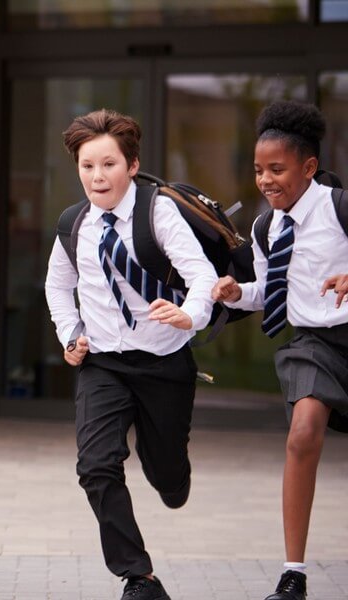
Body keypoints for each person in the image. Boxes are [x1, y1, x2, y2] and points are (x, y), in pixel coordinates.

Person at [45, 109, 217, 600]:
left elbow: (201, 275)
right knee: (95, 466)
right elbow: (57, 287)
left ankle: (172, 475)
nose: (97, 177)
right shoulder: (74, 224)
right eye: (87, 166)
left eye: (109, 165)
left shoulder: (158, 213)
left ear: (132, 165)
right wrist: (71, 334)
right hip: (103, 364)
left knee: (165, 472)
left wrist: (188, 314)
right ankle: (138, 576)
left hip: (164, 363)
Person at [212, 100, 348, 600]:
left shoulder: (339, 207)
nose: (265, 180)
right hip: (314, 343)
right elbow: (271, 291)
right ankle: (294, 575)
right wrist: (236, 292)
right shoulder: (266, 227)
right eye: (258, 170)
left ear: (308, 168)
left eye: (277, 169)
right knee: (302, 432)